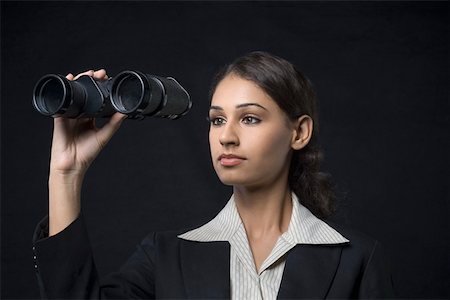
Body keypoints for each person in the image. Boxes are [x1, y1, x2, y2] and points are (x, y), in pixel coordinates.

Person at [32, 52, 394, 299]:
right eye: (217, 119)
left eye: (249, 118)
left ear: (299, 132)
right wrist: (66, 173)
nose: (226, 136)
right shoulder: (165, 255)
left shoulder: (358, 260)